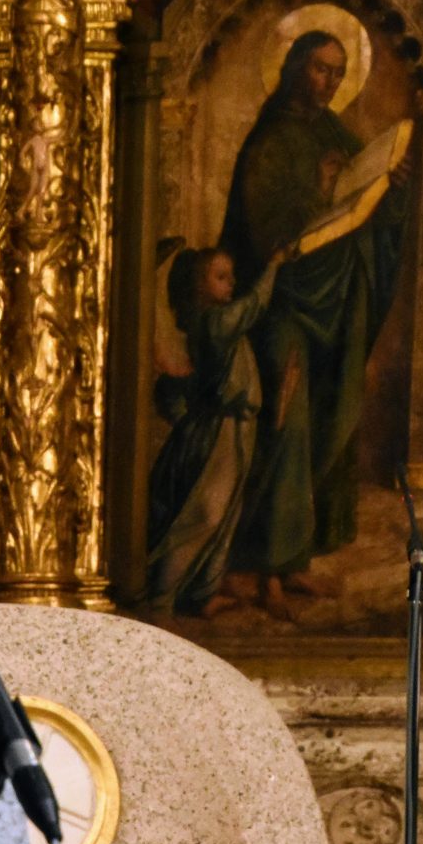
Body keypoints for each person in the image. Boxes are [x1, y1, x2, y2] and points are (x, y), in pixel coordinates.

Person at [215, 29, 412, 619]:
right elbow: (266, 234)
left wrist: (390, 188)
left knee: (333, 413)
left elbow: (365, 206)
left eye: (338, 72)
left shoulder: (335, 133)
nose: (328, 81)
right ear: (294, 67)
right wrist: (322, 190)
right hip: (284, 305)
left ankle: (296, 560)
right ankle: (262, 567)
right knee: (286, 422)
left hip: (337, 299)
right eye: (320, 68)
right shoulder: (270, 141)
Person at [146, 246, 279, 615]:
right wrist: (272, 266)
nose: (231, 283)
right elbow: (253, 305)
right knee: (205, 513)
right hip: (220, 427)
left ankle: (203, 593)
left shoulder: (218, 320)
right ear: (198, 285)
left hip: (241, 426)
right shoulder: (214, 322)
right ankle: (162, 596)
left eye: (230, 276)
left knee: (228, 515)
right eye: (220, 277)